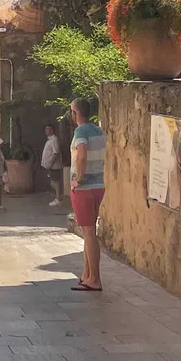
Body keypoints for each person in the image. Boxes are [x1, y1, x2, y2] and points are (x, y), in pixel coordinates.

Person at [69, 96, 106, 292]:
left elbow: (82, 153)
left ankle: (95, 279)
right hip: (99, 185)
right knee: (87, 231)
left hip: (84, 187)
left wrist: (79, 178)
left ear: (75, 113)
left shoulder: (81, 131)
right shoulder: (98, 130)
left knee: (89, 233)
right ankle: (87, 275)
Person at [42, 122, 64, 207]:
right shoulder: (49, 140)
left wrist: (50, 163)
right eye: (45, 129)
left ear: (52, 130)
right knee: (52, 182)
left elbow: (55, 153)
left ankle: (58, 198)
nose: (46, 131)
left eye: (48, 129)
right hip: (50, 165)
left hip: (54, 165)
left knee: (55, 182)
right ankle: (57, 197)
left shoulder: (54, 139)